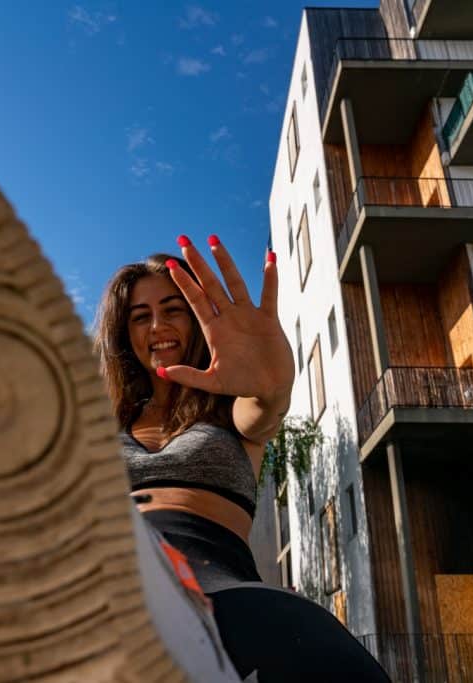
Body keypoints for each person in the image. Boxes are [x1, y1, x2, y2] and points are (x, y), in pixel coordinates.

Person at [93, 236, 391, 681]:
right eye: (141, 316)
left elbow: (262, 409)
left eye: (173, 309)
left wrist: (269, 387)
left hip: (222, 583)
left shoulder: (228, 412)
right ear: (124, 333)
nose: (157, 325)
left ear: (196, 318)